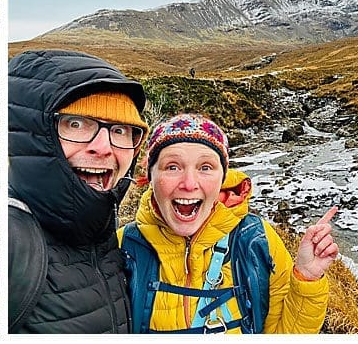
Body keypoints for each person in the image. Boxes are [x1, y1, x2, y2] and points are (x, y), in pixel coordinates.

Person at [119, 114, 337, 333]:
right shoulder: (121, 248)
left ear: (223, 177)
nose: (189, 183)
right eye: (172, 167)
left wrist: (306, 278)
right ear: (150, 176)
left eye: (205, 167)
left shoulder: (256, 240)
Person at [8, 49, 149, 333]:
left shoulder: (106, 232)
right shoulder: (14, 239)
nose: (104, 147)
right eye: (76, 124)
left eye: (121, 130)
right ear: (32, 133)